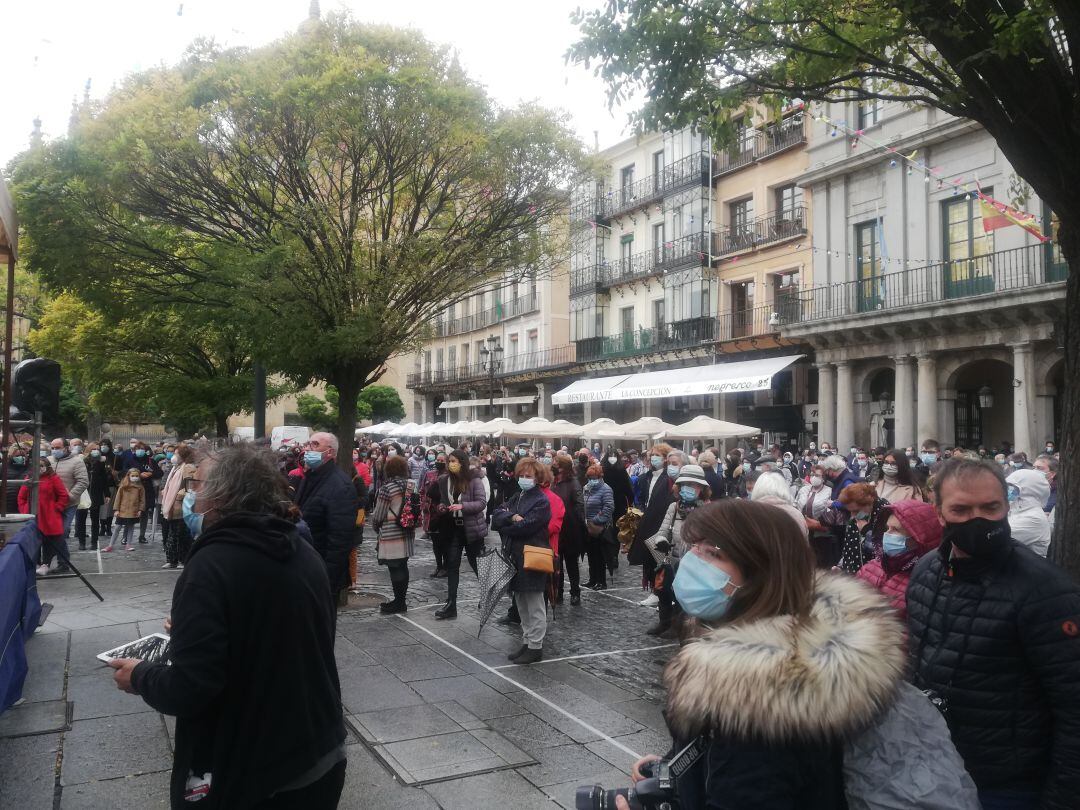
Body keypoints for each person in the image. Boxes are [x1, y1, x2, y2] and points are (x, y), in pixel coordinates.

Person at [107, 444, 346, 809]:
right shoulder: (300, 548)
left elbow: (190, 687)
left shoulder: (211, 565)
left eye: (197, 484)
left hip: (256, 771)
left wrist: (140, 676)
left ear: (222, 495)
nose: (192, 493)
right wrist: (199, 628)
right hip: (320, 750)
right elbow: (288, 634)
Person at [629, 499, 907, 808]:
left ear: (761, 573)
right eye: (695, 547)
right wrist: (680, 766)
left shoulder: (756, 693)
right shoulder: (762, 651)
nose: (694, 561)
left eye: (714, 553)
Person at [907, 458, 1080, 809]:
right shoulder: (926, 571)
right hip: (935, 767)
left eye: (990, 507)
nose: (978, 519)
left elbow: (1073, 707)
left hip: (1009, 785)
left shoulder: (1045, 589)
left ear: (1006, 506)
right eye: (961, 509)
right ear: (939, 514)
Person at [491, 457, 551, 665]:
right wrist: (511, 518)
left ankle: (536, 646)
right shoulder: (518, 496)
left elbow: (527, 527)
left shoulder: (541, 501)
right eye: (522, 476)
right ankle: (527, 641)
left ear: (537, 478)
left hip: (532, 555)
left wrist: (509, 520)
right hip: (514, 556)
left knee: (534, 604)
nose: (524, 479)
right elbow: (496, 516)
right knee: (521, 603)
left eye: (529, 476)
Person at [646, 464, 710, 638]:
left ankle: (678, 626)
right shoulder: (674, 508)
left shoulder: (708, 510)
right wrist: (662, 542)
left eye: (693, 485)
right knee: (664, 591)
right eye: (685, 485)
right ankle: (664, 622)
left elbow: (713, 539)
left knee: (684, 595)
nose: (688, 489)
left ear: (701, 489)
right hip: (672, 559)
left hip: (695, 562)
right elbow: (662, 531)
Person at [294, 432, 358, 601]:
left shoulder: (339, 485)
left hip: (321, 574)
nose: (307, 448)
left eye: (314, 444)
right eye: (308, 444)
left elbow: (340, 540)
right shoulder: (310, 476)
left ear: (330, 452)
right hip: (305, 567)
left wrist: (327, 580)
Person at [855, 499, 942, 619]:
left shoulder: (926, 581)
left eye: (896, 530)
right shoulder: (871, 567)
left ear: (918, 538)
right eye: (887, 528)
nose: (887, 534)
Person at [431, 450, 487, 620]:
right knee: (452, 565)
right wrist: (441, 507)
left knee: (476, 563)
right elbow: (442, 500)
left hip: (471, 528)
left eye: (454, 461)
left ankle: (486, 594)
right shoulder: (444, 480)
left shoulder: (474, 479)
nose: (450, 464)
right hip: (453, 528)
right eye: (449, 461)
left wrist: (463, 506)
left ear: (462, 462)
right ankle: (451, 604)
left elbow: (482, 502)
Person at [628, 444, 675, 608]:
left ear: (665, 458)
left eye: (657, 455)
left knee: (661, 558)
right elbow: (643, 497)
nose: (652, 457)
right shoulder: (646, 476)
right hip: (648, 520)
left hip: (661, 521)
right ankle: (654, 591)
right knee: (649, 558)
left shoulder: (668, 477)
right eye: (651, 455)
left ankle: (661, 590)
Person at [370, 453, 414, 614]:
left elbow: (378, 515)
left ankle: (399, 603)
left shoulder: (387, 488)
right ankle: (401, 600)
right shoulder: (410, 485)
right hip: (407, 530)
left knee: (395, 567)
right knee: (403, 565)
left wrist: (376, 528)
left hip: (391, 533)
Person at [23, 457, 70, 575]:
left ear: (47, 466)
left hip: (49, 515)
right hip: (32, 515)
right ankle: (36, 563)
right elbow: (21, 496)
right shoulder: (29, 478)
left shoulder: (53, 478)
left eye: (42, 465)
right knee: (34, 540)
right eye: (36, 466)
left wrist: (56, 508)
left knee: (50, 540)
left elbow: (63, 495)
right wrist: (24, 510)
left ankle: (46, 564)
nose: (39, 468)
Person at [550, 454, 586, 604]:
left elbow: (579, 504)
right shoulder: (553, 482)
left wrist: (578, 523)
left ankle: (575, 593)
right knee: (557, 563)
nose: (553, 464)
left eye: (556, 463)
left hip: (570, 529)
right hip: (557, 529)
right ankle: (558, 592)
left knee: (571, 563)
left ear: (563, 467)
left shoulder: (573, 483)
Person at [160, 444, 198, 569]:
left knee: (181, 534)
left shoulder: (187, 467)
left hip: (180, 505)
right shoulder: (175, 468)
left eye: (177, 454)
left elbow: (190, 485)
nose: (174, 456)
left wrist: (179, 495)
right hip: (172, 505)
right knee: (173, 533)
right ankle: (172, 559)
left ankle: (182, 559)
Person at [797, 462, 839, 568]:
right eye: (812, 475)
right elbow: (795, 504)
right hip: (804, 531)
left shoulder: (829, 491)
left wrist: (819, 524)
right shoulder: (803, 490)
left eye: (817, 475)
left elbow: (833, 511)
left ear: (823, 478)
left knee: (821, 562)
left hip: (822, 532)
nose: (813, 477)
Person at [50, 437, 89, 549]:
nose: (54, 450)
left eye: (57, 448)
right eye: (52, 448)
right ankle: (51, 559)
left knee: (63, 530)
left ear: (66, 448)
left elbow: (83, 481)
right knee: (51, 532)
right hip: (51, 503)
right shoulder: (48, 460)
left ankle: (62, 561)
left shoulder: (77, 461)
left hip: (69, 504)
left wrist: (70, 496)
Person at [582, 462, 614, 594]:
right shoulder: (586, 488)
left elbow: (608, 508)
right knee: (591, 554)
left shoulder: (606, 489)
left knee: (600, 556)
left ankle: (601, 581)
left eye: (594, 478)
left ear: (600, 477)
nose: (591, 481)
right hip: (587, 526)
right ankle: (592, 579)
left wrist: (596, 520)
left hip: (599, 527)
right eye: (589, 478)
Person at [1005, 468, 1052, 557]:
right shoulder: (1017, 509)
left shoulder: (1034, 518)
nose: (1009, 490)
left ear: (1029, 490)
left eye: (1013, 487)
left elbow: (999, 539)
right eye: (1008, 486)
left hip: (1027, 569)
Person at [104, 466, 146, 552]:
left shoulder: (140, 487)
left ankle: (128, 544)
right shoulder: (123, 486)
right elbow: (118, 498)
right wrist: (116, 509)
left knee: (131, 527)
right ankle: (110, 545)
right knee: (117, 528)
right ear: (128, 475)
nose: (135, 477)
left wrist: (140, 510)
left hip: (133, 510)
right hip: (122, 510)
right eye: (133, 476)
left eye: (136, 476)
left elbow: (142, 500)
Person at [131, 441, 164, 543]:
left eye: (142, 449)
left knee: (144, 513)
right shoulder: (131, 460)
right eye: (137, 449)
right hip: (133, 489)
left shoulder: (150, 461)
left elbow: (160, 473)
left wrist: (150, 474)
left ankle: (142, 535)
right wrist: (138, 475)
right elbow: (123, 471)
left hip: (147, 489)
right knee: (130, 512)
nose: (140, 451)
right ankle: (126, 536)